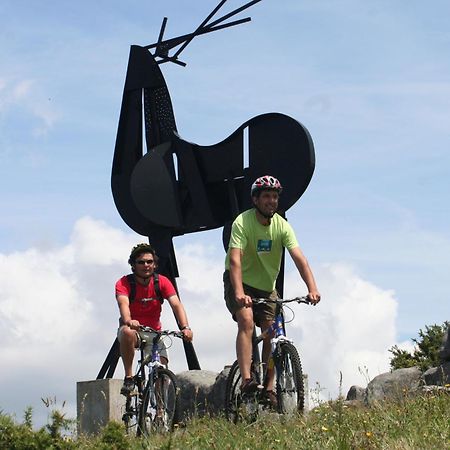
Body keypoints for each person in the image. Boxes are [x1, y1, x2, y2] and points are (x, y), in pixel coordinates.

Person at [223, 175, 321, 406]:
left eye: (275, 197)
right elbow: (235, 261)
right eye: (266, 196)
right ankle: (247, 379)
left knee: (272, 333)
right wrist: (239, 292)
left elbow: (300, 259)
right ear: (255, 199)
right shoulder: (242, 222)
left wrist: (312, 288)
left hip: (267, 288)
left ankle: (268, 387)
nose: (271, 201)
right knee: (246, 320)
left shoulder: (282, 226)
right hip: (239, 281)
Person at [116, 243, 193, 395]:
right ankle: (129, 377)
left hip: (155, 333)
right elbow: (123, 303)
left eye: (149, 262)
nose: (146, 265)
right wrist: (129, 320)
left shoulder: (162, 282)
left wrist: (185, 327)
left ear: (155, 264)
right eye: (141, 262)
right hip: (135, 330)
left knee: (162, 372)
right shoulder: (124, 283)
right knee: (127, 332)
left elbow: (176, 304)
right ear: (133, 265)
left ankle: (160, 413)